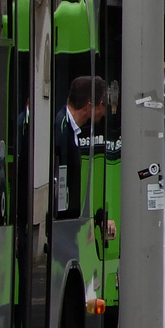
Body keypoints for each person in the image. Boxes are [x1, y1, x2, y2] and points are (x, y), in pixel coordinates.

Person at [55, 76, 108, 222]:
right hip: (62, 224)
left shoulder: (71, 129)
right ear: (89, 105)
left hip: (69, 222)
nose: (104, 112)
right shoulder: (60, 129)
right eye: (103, 105)